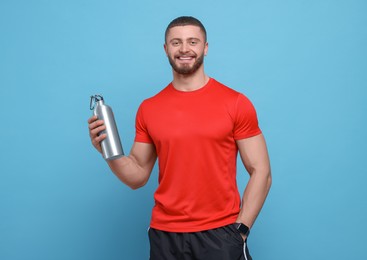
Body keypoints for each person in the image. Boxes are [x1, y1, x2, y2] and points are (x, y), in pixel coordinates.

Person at [88, 16, 271, 260]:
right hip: (165, 236)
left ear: (205, 47)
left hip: (221, 235)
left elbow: (262, 171)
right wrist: (108, 153)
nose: (184, 49)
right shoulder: (149, 108)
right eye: (176, 43)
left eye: (192, 42)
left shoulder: (235, 103)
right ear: (166, 49)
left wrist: (241, 230)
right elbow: (137, 176)